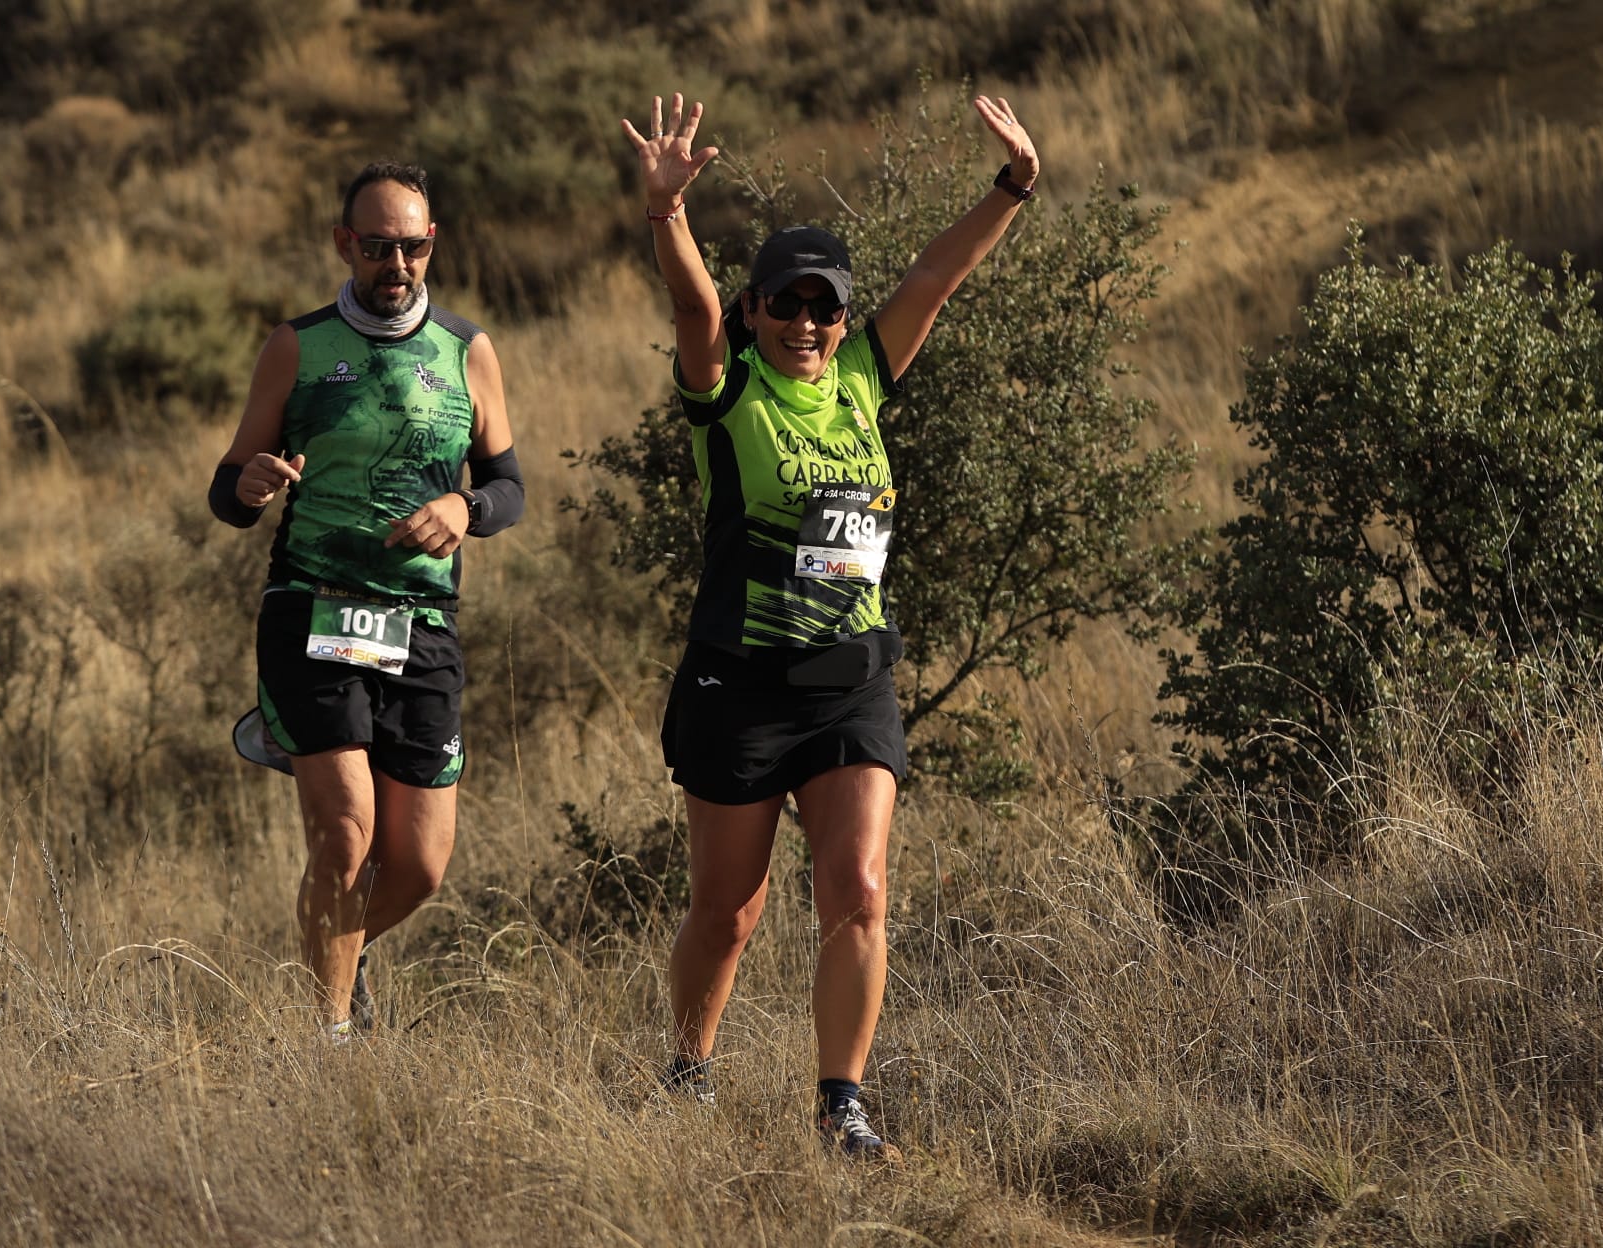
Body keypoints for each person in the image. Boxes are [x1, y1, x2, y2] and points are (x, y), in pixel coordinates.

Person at [621, 93, 1039, 1156]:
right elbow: (688, 313)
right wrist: (668, 215)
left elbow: (936, 280)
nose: (806, 323)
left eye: (824, 307)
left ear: (844, 321)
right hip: (741, 683)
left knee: (857, 890)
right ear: (755, 310)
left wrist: (1013, 187)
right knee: (729, 910)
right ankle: (687, 1072)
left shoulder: (861, 376)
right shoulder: (727, 390)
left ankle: (840, 1103)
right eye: (786, 305)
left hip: (852, 677)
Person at [208, 161, 525, 1042]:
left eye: (412, 246)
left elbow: (508, 486)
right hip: (314, 606)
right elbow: (226, 489)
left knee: (419, 866)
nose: (397, 263)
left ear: (433, 246)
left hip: (422, 623)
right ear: (345, 244)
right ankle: (327, 1042)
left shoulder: (467, 352)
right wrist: (253, 483)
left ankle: (339, 955)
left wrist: (466, 505)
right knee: (346, 834)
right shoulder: (298, 347)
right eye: (378, 246)